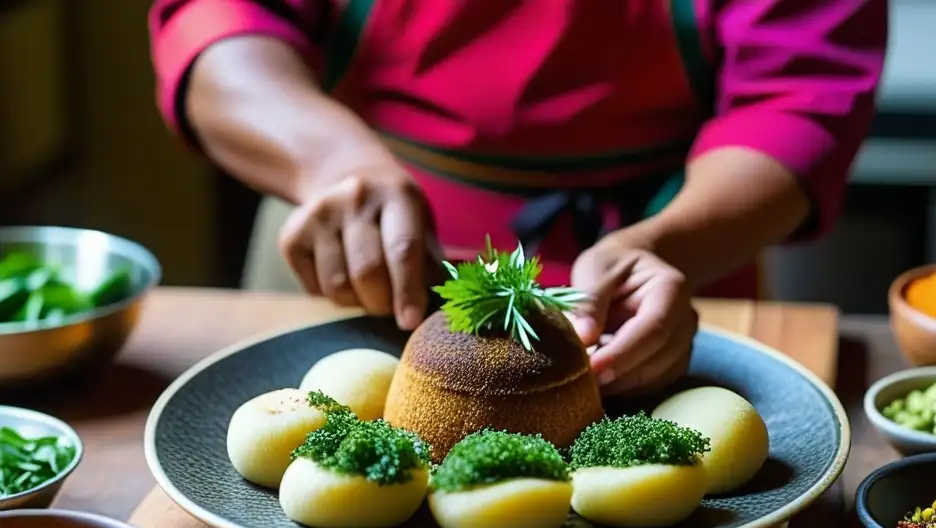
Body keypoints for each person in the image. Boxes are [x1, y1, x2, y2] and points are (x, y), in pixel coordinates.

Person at [148, 0, 887, 395]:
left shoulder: (672, 250)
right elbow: (218, 18)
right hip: (351, 237)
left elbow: (799, 93)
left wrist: (670, 245)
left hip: (664, 262)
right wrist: (329, 160)